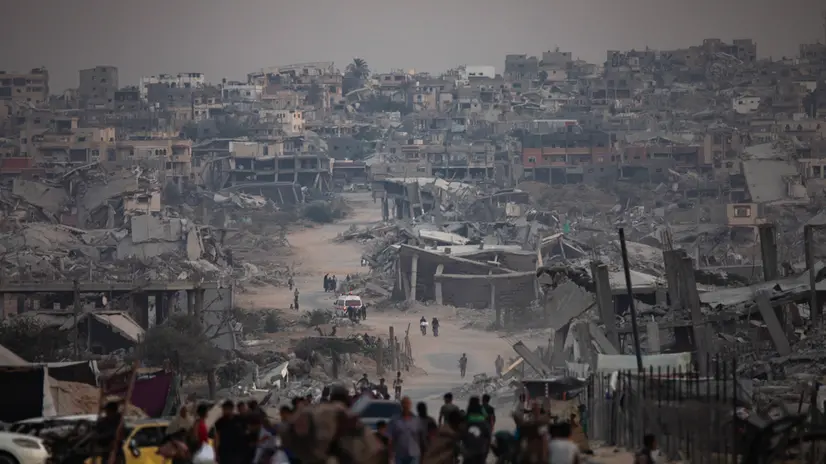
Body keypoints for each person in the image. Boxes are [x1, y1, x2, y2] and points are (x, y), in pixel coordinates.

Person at [387, 397, 427, 464]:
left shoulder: (417, 420)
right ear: (401, 405)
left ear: (410, 405)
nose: (406, 405)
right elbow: (390, 439)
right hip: (399, 455)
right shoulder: (394, 420)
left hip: (414, 455)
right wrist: (390, 454)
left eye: (407, 403)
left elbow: (422, 439)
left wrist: (423, 456)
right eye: (404, 403)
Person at [462, 397, 492, 464]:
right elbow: (486, 416)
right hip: (481, 450)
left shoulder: (469, 410)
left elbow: (462, 436)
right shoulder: (481, 409)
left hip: (469, 450)